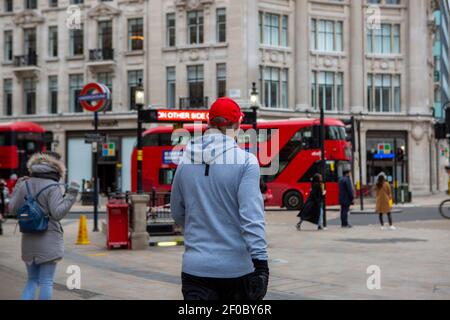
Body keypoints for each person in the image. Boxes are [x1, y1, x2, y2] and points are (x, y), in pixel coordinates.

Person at [171, 97, 269, 300]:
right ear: (237, 125)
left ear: (209, 124)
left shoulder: (184, 161)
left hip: (194, 269)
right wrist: (261, 266)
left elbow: (177, 213)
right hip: (236, 271)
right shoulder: (246, 162)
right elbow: (252, 218)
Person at [9, 152, 79, 300]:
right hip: (48, 238)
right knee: (46, 281)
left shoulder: (25, 184)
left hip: (28, 239)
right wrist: (72, 194)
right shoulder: (53, 186)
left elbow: (12, 209)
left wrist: (17, 187)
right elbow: (57, 213)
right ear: (56, 169)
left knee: (32, 280)